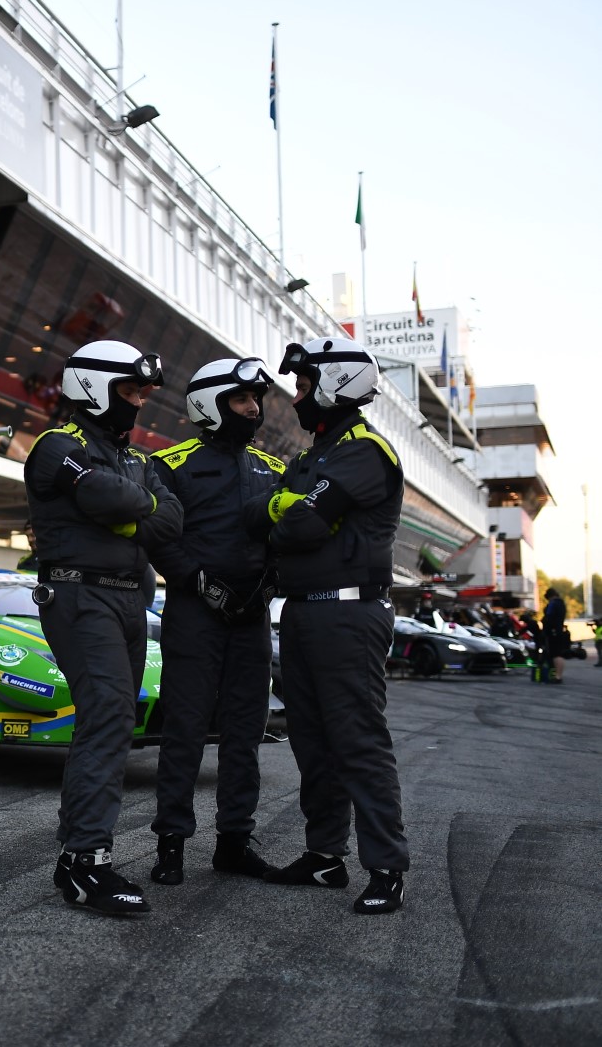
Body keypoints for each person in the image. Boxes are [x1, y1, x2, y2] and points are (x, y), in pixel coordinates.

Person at [247, 335, 408, 915]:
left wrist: (286, 510)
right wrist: (286, 508)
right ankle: (324, 857)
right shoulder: (315, 456)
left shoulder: (366, 451)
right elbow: (272, 515)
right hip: (302, 610)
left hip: (349, 613)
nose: (295, 396)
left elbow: (302, 526)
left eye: (304, 384)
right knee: (313, 744)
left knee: (358, 741)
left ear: (336, 385)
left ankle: (386, 868)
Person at [25, 339, 182, 916]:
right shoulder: (54, 446)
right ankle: (87, 862)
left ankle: (76, 851)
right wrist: (137, 508)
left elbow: (171, 521)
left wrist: (129, 516)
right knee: (111, 717)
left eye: (143, 391)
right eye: (130, 389)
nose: (139, 400)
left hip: (128, 600)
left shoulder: (136, 459)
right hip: (78, 595)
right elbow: (99, 492)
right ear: (92, 387)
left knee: (108, 722)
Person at [146, 357, 284, 886]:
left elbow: (284, 539)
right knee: (183, 732)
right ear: (209, 404)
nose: (253, 409)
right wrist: (199, 582)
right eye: (242, 399)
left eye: (256, 400)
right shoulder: (168, 463)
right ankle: (171, 846)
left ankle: (234, 844)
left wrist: (269, 584)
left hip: (253, 618)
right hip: (193, 615)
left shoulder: (273, 468)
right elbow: (159, 538)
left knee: (245, 734)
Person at [541, 587, 567, 683]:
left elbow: (549, 617)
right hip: (559, 631)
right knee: (559, 654)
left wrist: (544, 622)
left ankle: (557, 677)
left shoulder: (553, 603)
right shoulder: (561, 603)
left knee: (555, 654)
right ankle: (558, 675)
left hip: (552, 632)